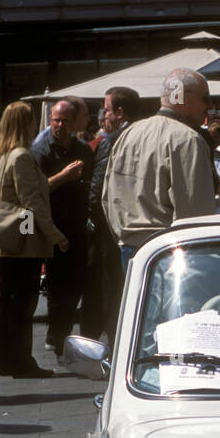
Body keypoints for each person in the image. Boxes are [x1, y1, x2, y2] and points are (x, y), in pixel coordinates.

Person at [103, 67, 216, 271]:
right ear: (181, 96)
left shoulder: (128, 134)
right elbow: (196, 215)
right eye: (205, 98)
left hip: (130, 250)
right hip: (172, 254)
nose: (210, 105)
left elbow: (108, 198)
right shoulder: (187, 139)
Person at [0, 100, 68, 378]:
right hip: (24, 233)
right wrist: (55, 235)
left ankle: (7, 360)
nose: (37, 125)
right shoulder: (21, 155)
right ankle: (22, 361)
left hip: (6, 235)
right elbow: (31, 202)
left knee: (8, 301)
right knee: (23, 302)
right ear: (25, 124)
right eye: (33, 119)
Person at [32, 98, 92, 356]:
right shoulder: (40, 151)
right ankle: (56, 335)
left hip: (77, 225)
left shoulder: (82, 149)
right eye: (55, 120)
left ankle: (64, 334)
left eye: (64, 121)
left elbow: (91, 184)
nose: (59, 125)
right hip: (50, 226)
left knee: (76, 283)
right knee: (56, 285)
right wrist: (64, 177)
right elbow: (32, 194)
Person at [85, 85, 141, 340]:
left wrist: (89, 221)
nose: (102, 116)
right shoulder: (143, 135)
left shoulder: (111, 143)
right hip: (140, 225)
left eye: (106, 110)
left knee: (110, 290)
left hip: (111, 230)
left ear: (119, 112)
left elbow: (98, 191)